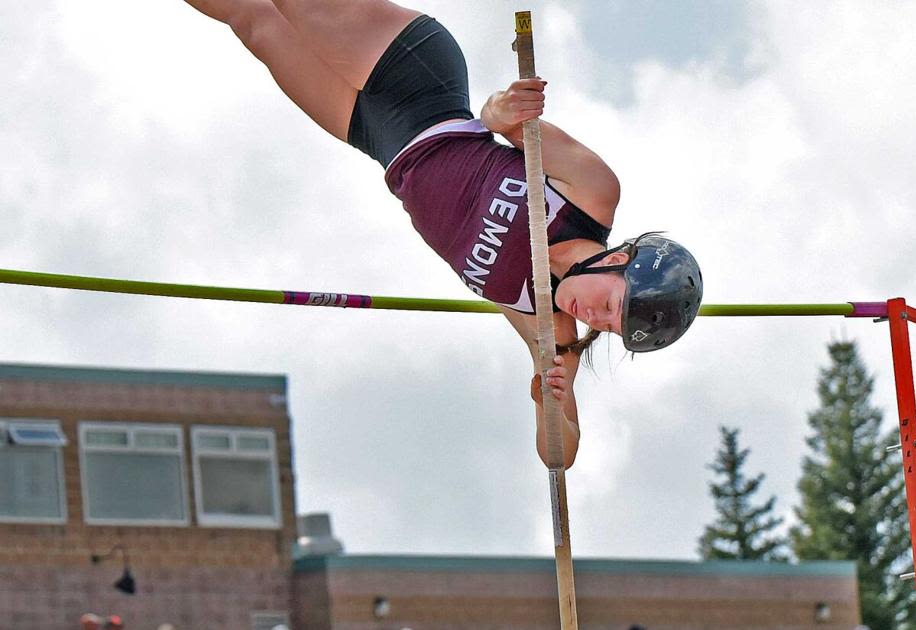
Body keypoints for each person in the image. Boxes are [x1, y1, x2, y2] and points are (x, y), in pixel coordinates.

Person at [181, 0, 703, 467]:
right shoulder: (591, 194)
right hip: (416, 75)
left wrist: (553, 403)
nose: (597, 321)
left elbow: (559, 455)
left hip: (379, 137)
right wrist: (503, 109)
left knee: (253, 21)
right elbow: (502, 119)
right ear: (619, 262)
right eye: (612, 308)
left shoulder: (547, 325)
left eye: (611, 329)